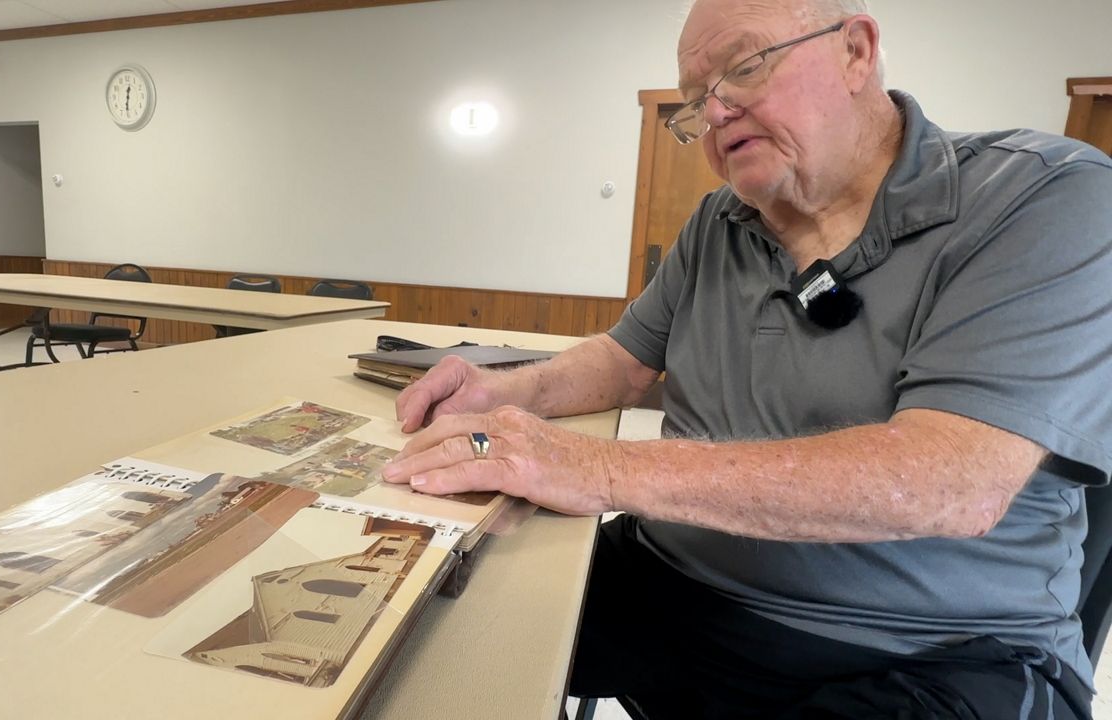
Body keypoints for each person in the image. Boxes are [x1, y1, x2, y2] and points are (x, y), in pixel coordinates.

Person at [381, 0, 1112, 717]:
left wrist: (594, 467)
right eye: (697, 99)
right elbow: (624, 360)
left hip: (926, 652)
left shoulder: (1044, 195)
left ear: (856, 50)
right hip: (676, 581)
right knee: (414, 638)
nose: (717, 110)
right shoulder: (719, 220)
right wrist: (505, 392)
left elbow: (952, 483)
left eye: (745, 67)